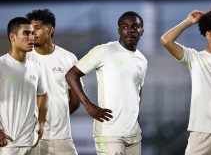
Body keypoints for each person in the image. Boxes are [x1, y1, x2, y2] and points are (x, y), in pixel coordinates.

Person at [65, 11, 147, 155]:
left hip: (134, 134)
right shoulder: (104, 51)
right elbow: (72, 75)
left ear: (142, 31)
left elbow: (138, 89)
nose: (130, 30)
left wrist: (136, 112)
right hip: (110, 133)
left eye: (135, 26)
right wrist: (89, 106)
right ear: (119, 30)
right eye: (125, 26)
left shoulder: (142, 60)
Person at [160, 7, 211, 154]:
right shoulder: (195, 58)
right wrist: (188, 22)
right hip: (200, 134)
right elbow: (166, 40)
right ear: (208, 34)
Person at [25, 8, 81, 155]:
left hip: (61, 137)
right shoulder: (23, 58)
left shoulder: (68, 59)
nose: (33, 33)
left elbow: (76, 100)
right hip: (30, 137)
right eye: (30, 30)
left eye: (37, 28)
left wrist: (58, 117)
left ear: (50, 30)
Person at [0, 17, 48, 155]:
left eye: (33, 33)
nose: (32, 37)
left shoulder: (36, 68)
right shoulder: (1, 65)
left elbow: (43, 94)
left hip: (33, 143)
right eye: (26, 33)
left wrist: (42, 122)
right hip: (9, 144)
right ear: (12, 36)